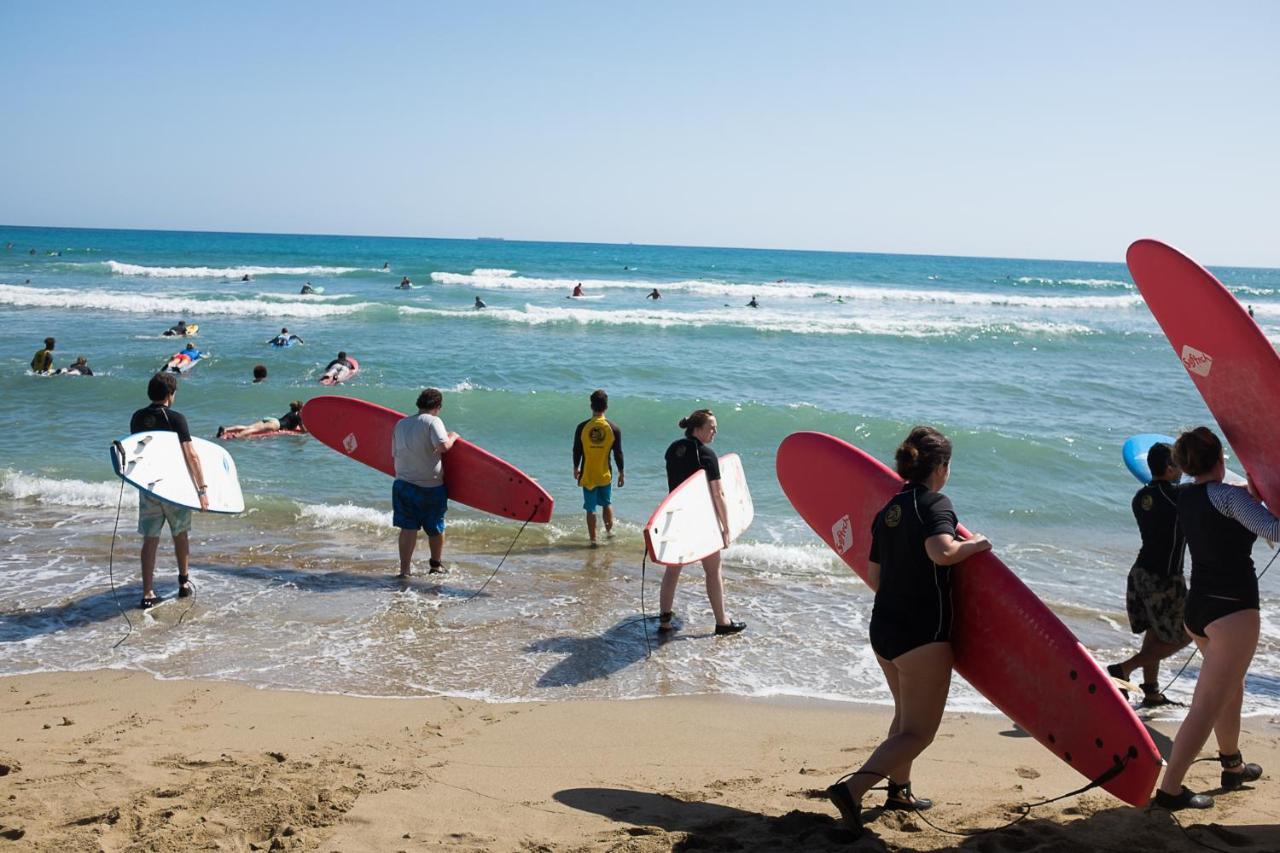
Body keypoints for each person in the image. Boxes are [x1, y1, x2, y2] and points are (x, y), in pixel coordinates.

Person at [825, 426, 992, 836]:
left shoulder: (889, 511)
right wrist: (977, 545)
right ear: (939, 467)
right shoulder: (936, 503)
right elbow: (943, 551)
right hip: (923, 635)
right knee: (919, 732)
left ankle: (899, 790)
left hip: (884, 629)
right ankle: (852, 789)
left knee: (904, 720)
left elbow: (876, 576)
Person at [1154, 426, 1274, 810]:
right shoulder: (1230, 496)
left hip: (1199, 610)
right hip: (1232, 612)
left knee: (1229, 688)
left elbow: (1224, 500)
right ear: (1220, 459)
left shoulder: (1186, 495)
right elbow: (1273, 529)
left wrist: (1251, 495)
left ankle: (1232, 764)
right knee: (1206, 704)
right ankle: (1170, 790)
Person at [1107, 443, 1191, 706]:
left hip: (1141, 573)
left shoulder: (1140, 497)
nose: (1182, 470)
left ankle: (1151, 691)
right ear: (1169, 469)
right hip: (1164, 578)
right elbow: (1206, 491)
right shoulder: (1178, 497)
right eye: (1179, 464)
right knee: (1190, 632)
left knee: (1155, 632)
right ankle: (1122, 669)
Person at [659, 409, 745, 636]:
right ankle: (722, 621)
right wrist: (726, 528)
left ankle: (665, 620)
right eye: (711, 427)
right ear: (697, 429)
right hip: (701, 521)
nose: (715, 431)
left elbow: (675, 488)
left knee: (673, 570)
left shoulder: (672, 449)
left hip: (677, 518)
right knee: (713, 570)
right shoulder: (706, 455)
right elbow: (719, 495)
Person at [130, 372, 208, 608]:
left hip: (149, 487)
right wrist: (202, 490)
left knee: (150, 540)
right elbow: (191, 455)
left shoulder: (137, 417)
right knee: (180, 535)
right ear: (170, 395)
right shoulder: (176, 418)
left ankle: (147, 592)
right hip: (174, 487)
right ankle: (183, 584)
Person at [392, 388, 458, 576]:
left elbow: (394, 454)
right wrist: (453, 436)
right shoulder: (433, 421)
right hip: (430, 486)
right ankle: (435, 566)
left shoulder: (400, 424)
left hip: (402, 484)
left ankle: (404, 571)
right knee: (436, 527)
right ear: (438, 406)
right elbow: (443, 446)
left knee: (407, 528)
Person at [572, 389, 625, 546]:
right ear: (606, 407)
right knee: (607, 504)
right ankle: (609, 534)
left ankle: (593, 540)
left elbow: (577, 450)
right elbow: (618, 453)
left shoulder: (582, 427)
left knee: (590, 508)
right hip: (604, 474)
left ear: (591, 406)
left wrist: (576, 468)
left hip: (588, 474)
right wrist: (621, 472)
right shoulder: (613, 428)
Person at [218, 401, 306, 438]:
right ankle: (237, 436)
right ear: (300, 409)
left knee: (248, 427)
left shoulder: (290, 413)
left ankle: (225, 429)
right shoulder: (298, 417)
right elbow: (303, 430)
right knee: (253, 430)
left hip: (271, 419)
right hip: (276, 425)